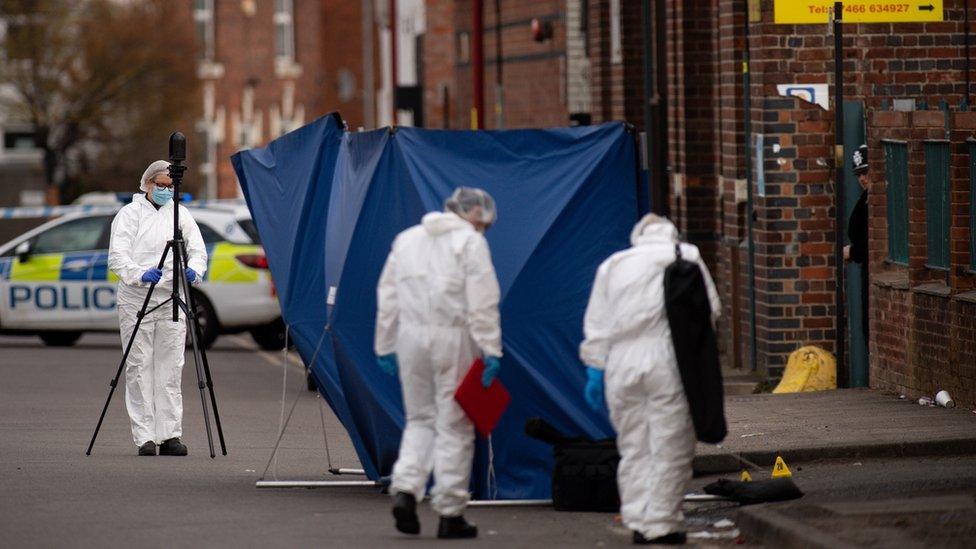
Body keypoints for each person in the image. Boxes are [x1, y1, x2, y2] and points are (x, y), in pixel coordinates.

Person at [580, 214, 720, 545]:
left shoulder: (614, 264)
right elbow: (710, 311)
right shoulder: (687, 256)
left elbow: (597, 321)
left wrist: (595, 368)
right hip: (670, 360)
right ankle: (661, 523)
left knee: (634, 446)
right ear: (671, 232)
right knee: (670, 444)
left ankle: (638, 518)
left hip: (621, 363)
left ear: (638, 235)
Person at [374, 187, 503, 539]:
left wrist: (384, 344)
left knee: (420, 420)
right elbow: (483, 302)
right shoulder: (471, 244)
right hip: (454, 339)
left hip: (410, 339)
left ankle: (405, 489)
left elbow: (388, 296)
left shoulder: (407, 240)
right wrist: (491, 349)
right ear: (474, 215)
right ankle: (450, 512)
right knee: (455, 427)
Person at [108, 160, 208, 457]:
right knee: (140, 366)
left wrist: (194, 269)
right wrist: (139, 273)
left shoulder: (180, 213)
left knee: (171, 367)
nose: (166, 190)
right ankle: (145, 437)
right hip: (136, 298)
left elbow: (198, 249)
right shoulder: (129, 214)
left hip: (172, 298)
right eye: (161, 185)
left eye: (170, 186)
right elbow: (117, 256)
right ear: (148, 184)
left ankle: (170, 435)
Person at [845, 144, 870, 341]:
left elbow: (871, 242)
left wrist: (853, 252)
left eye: (865, 172)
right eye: (858, 174)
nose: (862, 178)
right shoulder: (867, 198)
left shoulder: (877, 200)